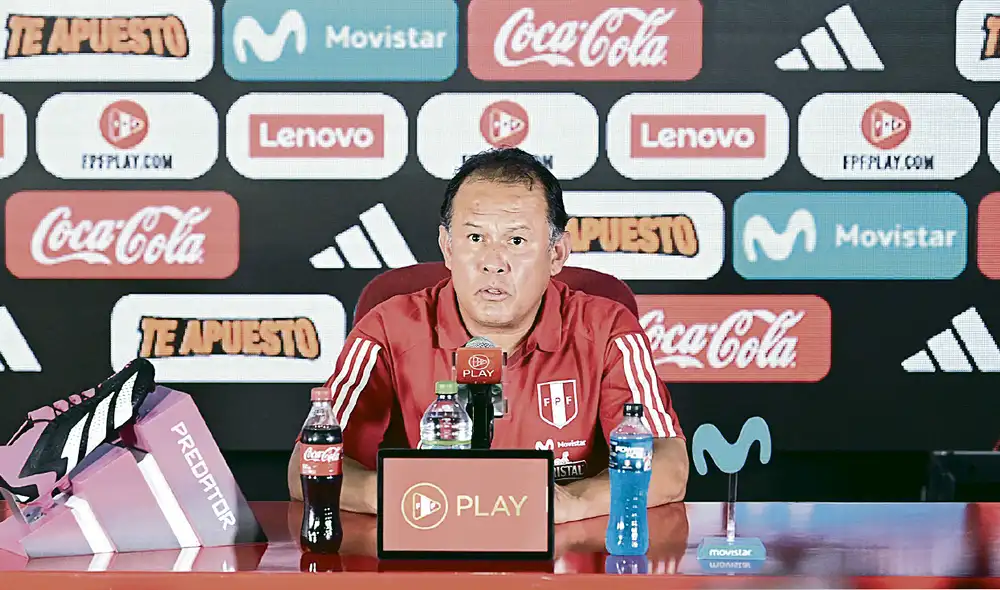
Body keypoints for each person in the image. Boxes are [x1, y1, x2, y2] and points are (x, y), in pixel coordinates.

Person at [289, 147, 689, 523]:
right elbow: (305, 466)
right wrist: (406, 496)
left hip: (563, 553)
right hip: (429, 544)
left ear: (556, 254)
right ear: (448, 247)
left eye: (516, 240)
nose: (493, 263)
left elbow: (670, 465)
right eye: (475, 238)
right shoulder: (387, 329)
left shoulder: (607, 330)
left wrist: (572, 503)